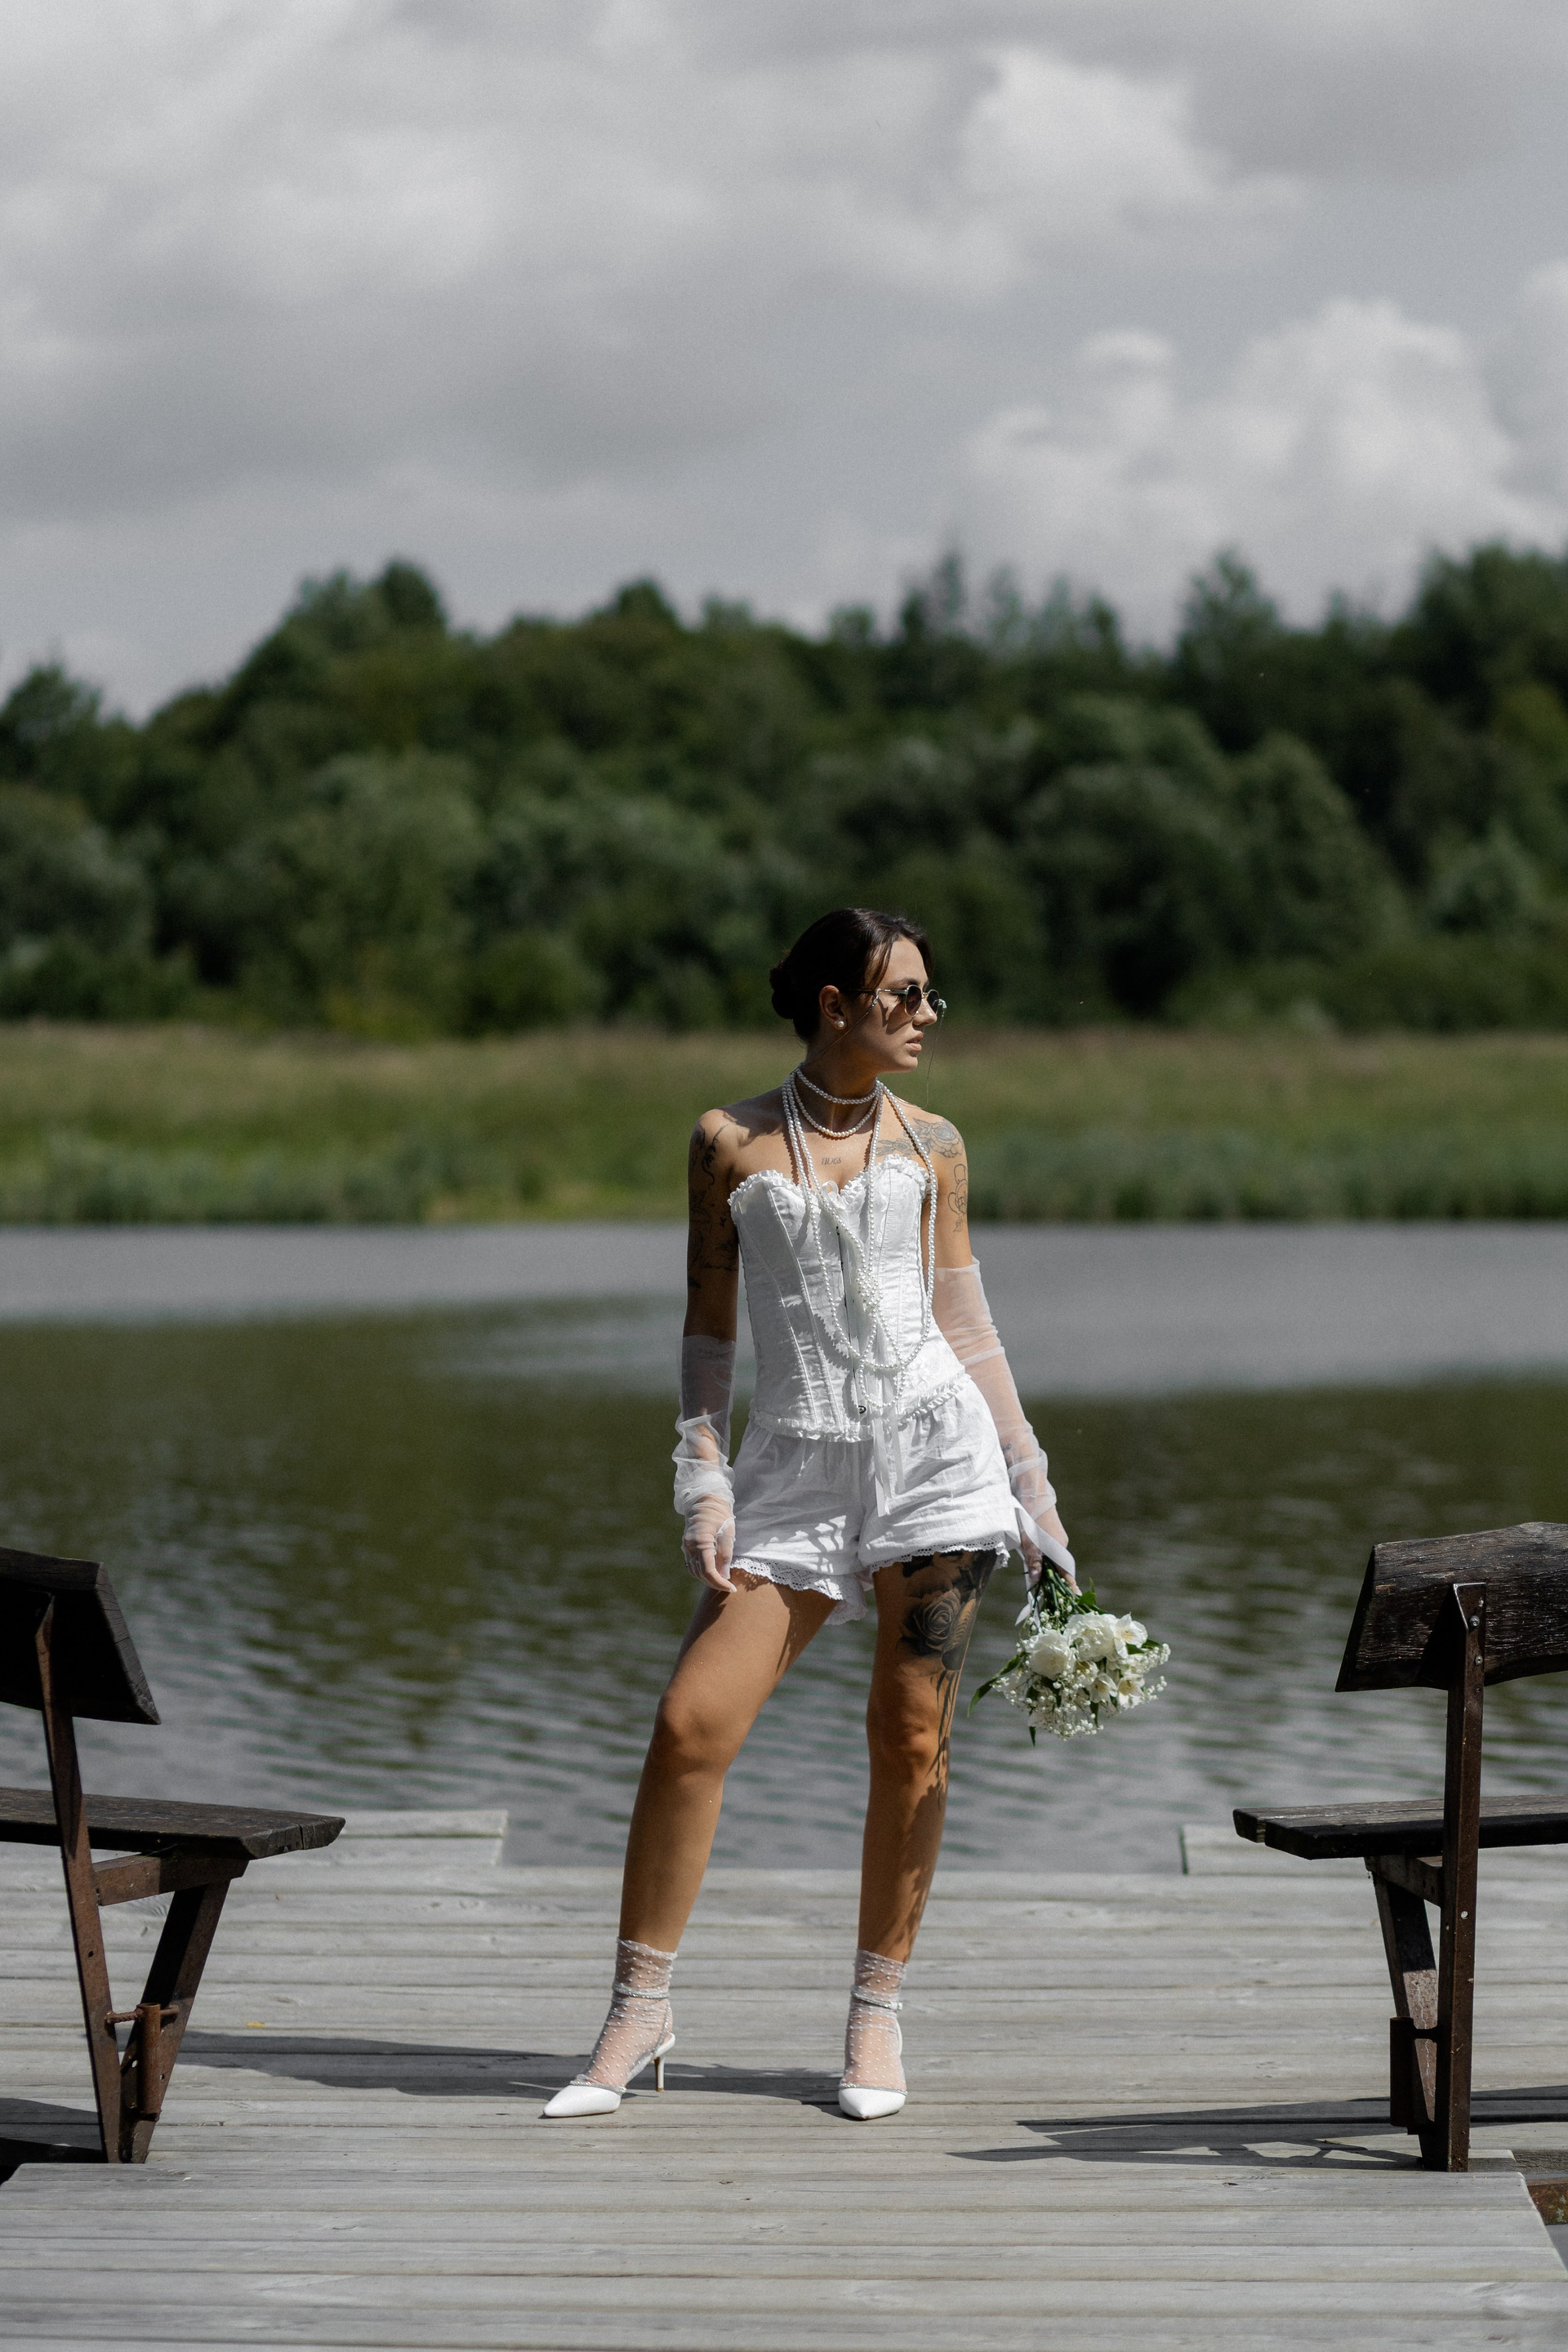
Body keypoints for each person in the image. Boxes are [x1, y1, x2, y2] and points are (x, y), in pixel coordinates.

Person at [543, 906, 1074, 2123]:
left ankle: (876, 2014)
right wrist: (703, 1476)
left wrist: (1031, 1483)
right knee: (690, 1725)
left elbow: (967, 1322)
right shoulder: (726, 1144)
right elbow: (706, 1330)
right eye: (904, 995)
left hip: (936, 1464)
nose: (927, 1016)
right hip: (791, 1473)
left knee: (911, 1736)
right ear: (835, 1004)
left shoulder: (935, 1144)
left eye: (931, 995)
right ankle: (638, 2008)